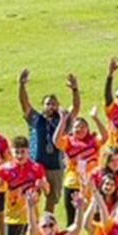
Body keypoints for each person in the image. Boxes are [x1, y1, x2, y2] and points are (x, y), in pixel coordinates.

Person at [18, 69, 79, 212]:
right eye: (48, 104)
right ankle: (32, 228)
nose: (51, 106)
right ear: (43, 106)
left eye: (53, 104)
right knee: (32, 198)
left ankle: (46, 229)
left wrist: (75, 90)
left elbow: (75, 108)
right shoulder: (36, 119)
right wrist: (21, 85)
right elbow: (24, 103)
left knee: (51, 202)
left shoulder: (63, 121)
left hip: (55, 167)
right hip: (36, 166)